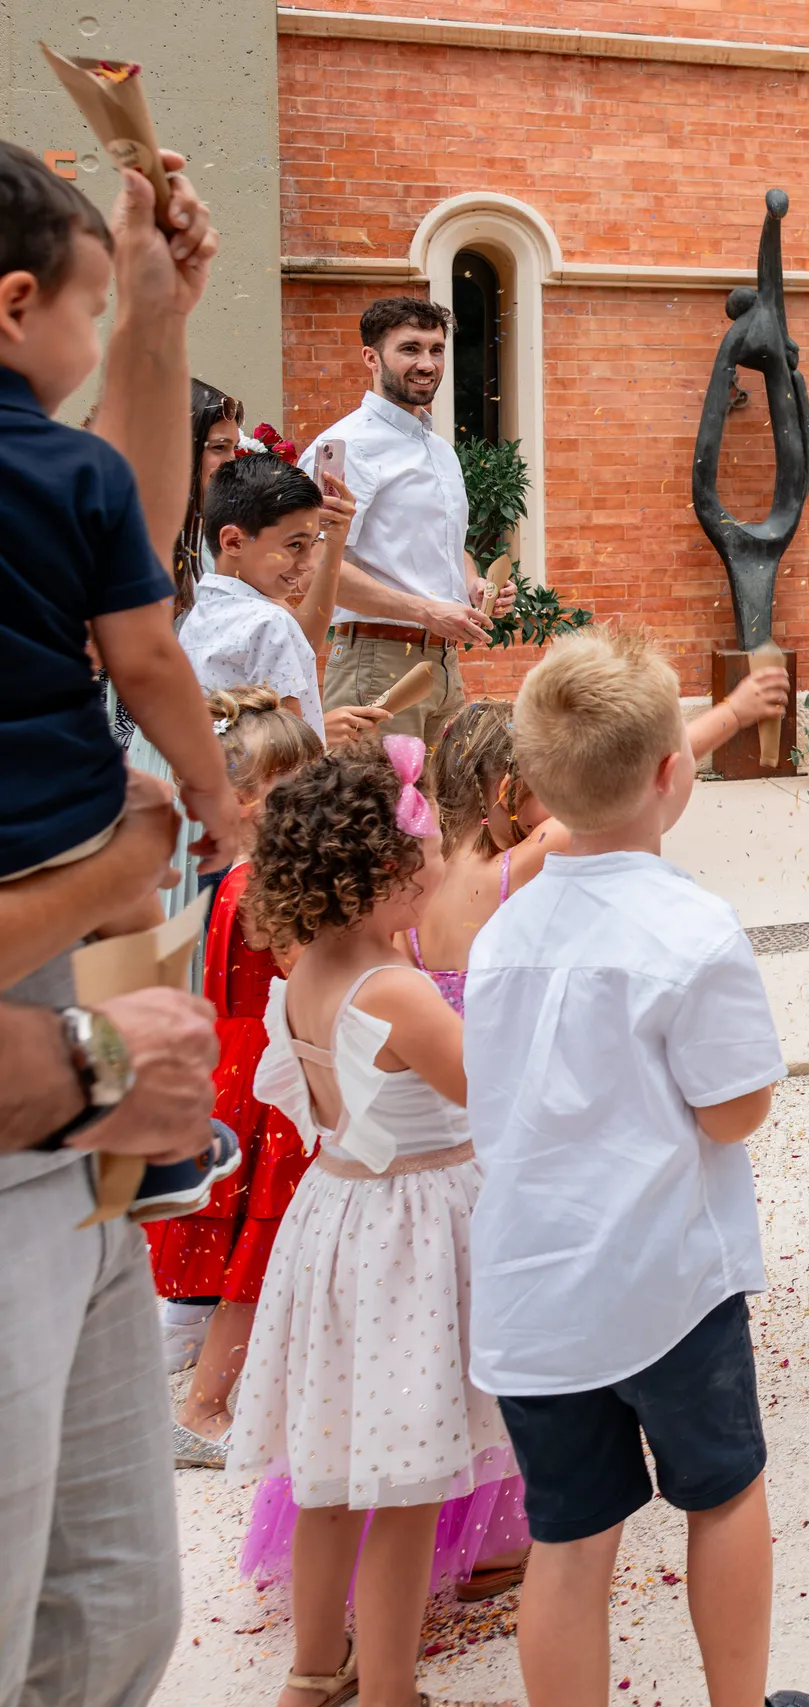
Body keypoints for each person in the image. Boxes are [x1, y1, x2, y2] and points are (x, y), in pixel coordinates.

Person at [465, 629, 809, 1707]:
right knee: (724, 1494)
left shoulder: (502, 932)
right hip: (668, 1283)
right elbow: (732, 1112)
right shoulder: (694, 930)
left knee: (569, 1538)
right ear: (675, 774)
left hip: (534, 1294)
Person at [0, 138, 223, 1707]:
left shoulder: (53, 477)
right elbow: (139, 632)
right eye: (82, 311)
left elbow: (113, 559)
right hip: (41, 1065)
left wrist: (150, 315)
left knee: (113, 1607)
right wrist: (202, 806)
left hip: (63, 1128)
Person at [224, 737, 513, 1707]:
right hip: (409, 1239)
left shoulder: (312, 970)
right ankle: (391, 1689)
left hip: (338, 1217)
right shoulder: (395, 990)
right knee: (406, 1484)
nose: (443, 859)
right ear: (387, 873)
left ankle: (314, 1671)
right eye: (429, 843)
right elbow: (485, 1087)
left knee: (334, 1470)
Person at [0, 143, 240, 901]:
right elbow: (142, 657)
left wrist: (154, 306)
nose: (96, 334)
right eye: (92, 310)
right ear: (17, 307)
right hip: (45, 825)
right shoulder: (74, 470)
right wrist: (208, 786)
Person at [152, 689, 324, 1458]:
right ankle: (204, 1407)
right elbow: (300, 970)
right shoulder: (271, 885)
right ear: (248, 800)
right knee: (255, 1262)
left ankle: (214, 1382)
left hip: (232, 1066)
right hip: (266, 1076)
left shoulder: (234, 875)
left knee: (241, 1252)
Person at [404, 669, 786, 1010]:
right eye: (551, 785)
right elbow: (637, 781)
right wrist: (733, 713)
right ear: (508, 792)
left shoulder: (415, 884)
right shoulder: (522, 863)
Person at [300, 297, 514, 747]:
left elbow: (448, 546)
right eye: (410, 349)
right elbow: (313, 563)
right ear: (371, 358)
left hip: (443, 664)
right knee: (375, 814)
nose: (427, 363)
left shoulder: (439, 449)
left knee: (442, 811)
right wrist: (426, 610)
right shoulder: (344, 446)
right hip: (374, 659)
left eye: (436, 350)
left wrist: (473, 585)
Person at [180, 455, 382, 747]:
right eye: (294, 545)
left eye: (311, 545)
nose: (305, 563)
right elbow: (288, 751)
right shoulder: (269, 622)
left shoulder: (196, 620)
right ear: (233, 541)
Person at [173, 378, 244, 616]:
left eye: (233, 448)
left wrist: (333, 540)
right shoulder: (130, 537)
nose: (231, 461)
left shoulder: (210, 535)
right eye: (219, 448)